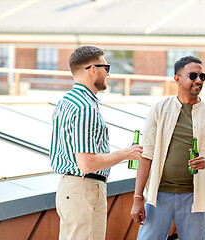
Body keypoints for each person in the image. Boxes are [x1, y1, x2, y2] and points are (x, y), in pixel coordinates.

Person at [49, 45, 143, 240]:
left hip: (70, 189)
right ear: (93, 70)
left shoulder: (65, 102)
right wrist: (127, 153)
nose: (108, 74)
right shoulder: (86, 108)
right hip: (84, 190)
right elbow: (87, 163)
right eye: (105, 67)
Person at [131, 56, 205, 240]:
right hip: (158, 196)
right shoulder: (159, 109)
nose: (199, 80)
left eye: (202, 76)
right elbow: (146, 155)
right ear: (177, 79)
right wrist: (137, 199)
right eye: (193, 75)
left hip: (195, 199)